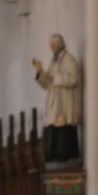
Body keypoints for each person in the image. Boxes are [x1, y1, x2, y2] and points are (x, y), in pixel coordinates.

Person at [32, 33, 81, 164]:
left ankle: (65, 155)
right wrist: (40, 71)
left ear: (60, 44)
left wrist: (56, 77)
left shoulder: (68, 59)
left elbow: (73, 78)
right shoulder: (54, 61)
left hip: (64, 103)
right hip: (54, 102)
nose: (51, 47)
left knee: (64, 130)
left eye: (53, 44)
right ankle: (53, 155)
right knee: (53, 129)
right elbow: (47, 84)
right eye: (50, 45)